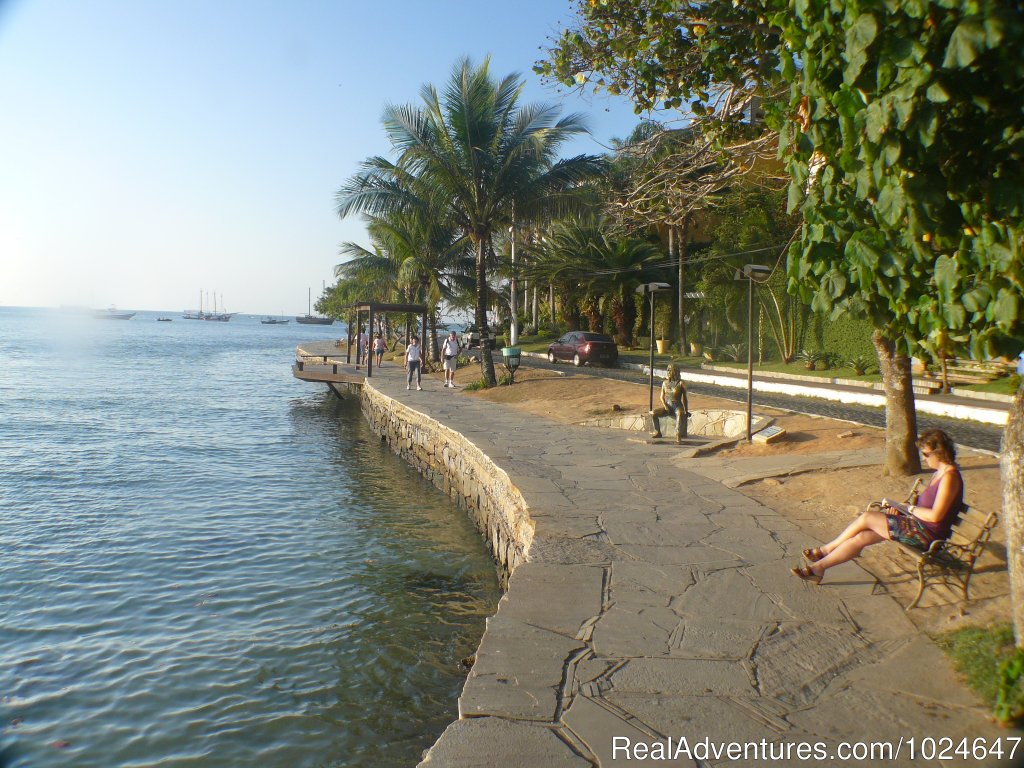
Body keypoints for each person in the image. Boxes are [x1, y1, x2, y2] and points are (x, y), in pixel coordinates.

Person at [792, 428, 966, 584]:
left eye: (926, 454)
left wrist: (908, 509)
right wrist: (901, 508)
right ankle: (818, 569)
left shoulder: (950, 477)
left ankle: (825, 550)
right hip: (917, 525)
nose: (923, 458)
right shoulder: (940, 473)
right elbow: (925, 506)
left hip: (926, 536)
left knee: (867, 517)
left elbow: (936, 516)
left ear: (940, 452)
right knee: (861, 538)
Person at [649, 363, 690, 443]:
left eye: (670, 370)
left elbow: (685, 398)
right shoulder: (665, 383)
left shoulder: (681, 383)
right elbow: (661, 397)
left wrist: (686, 410)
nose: (668, 371)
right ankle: (657, 432)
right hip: (668, 405)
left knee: (680, 414)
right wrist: (665, 406)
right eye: (667, 370)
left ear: (675, 371)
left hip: (677, 406)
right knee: (654, 413)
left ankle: (678, 435)